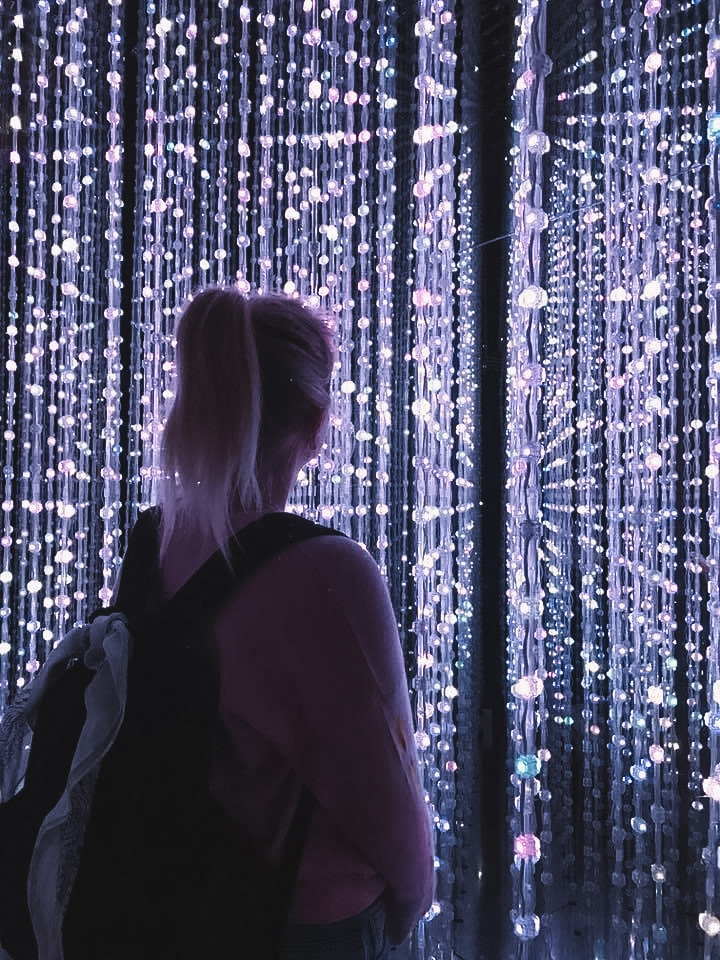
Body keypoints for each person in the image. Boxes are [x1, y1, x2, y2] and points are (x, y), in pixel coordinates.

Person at [155, 287, 435, 958]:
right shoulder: (326, 573)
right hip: (310, 919)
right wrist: (415, 902)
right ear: (315, 425)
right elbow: (382, 795)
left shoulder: (156, 547)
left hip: (176, 899)